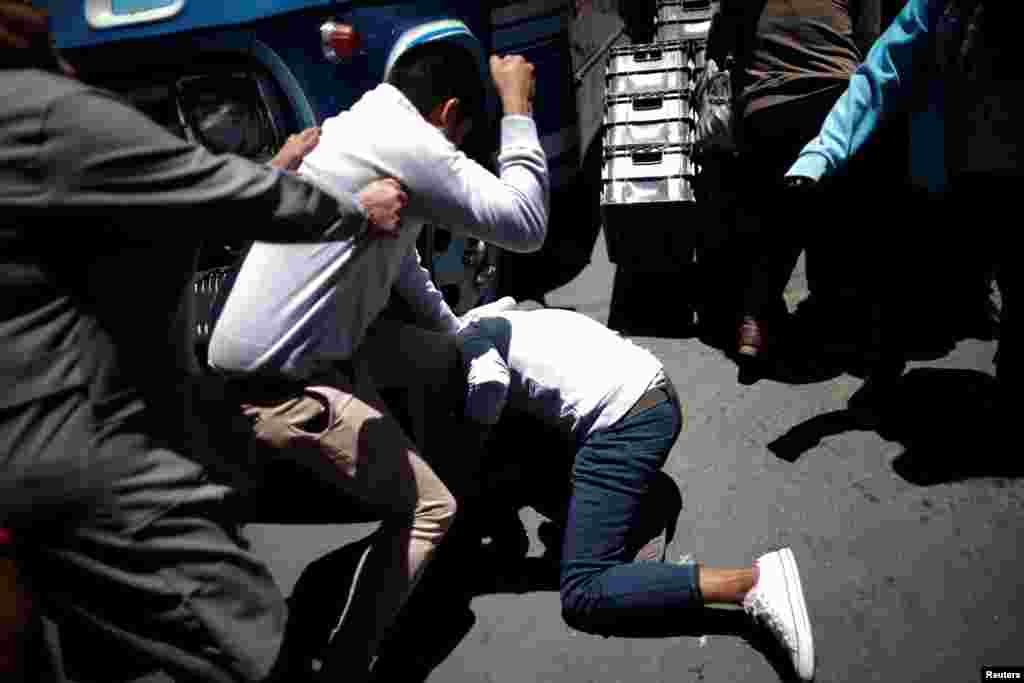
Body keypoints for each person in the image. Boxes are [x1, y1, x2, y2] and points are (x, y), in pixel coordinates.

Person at [0, 2, 408, 680]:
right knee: (264, 656)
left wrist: (270, 165)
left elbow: (131, 207)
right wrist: (351, 213)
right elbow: (211, 190)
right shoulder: (40, 114)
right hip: (94, 461)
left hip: (26, 454)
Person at [207, 36, 548, 682]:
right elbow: (525, 222)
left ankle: (338, 594)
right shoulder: (416, 145)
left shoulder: (362, 123)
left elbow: (405, 262)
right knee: (430, 508)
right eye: (458, 138)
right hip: (285, 380)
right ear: (448, 114)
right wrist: (517, 108)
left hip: (280, 361)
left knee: (421, 361)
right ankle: (345, 667)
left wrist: (458, 333)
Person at [454, 308, 815, 681]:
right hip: (651, 389)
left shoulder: (469, 347)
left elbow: (488, 394)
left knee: (585, 593)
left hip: (628, 425)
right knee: (510, 444)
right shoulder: (484, 316)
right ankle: (639, 509)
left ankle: (752, 583)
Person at [785, 0, 1016, 415]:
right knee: (902, 272)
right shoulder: (938, 7)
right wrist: (822, 153)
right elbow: (879, 75)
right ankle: (888, 372)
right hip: (947, 174)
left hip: (1001, 178)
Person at [709, 0, 886, 366]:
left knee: (771, 213)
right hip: (839, 100)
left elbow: (723, 39)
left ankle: (754, 320)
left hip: (767, 103)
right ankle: (834, 311)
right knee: (833, 210)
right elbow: (874, 45)